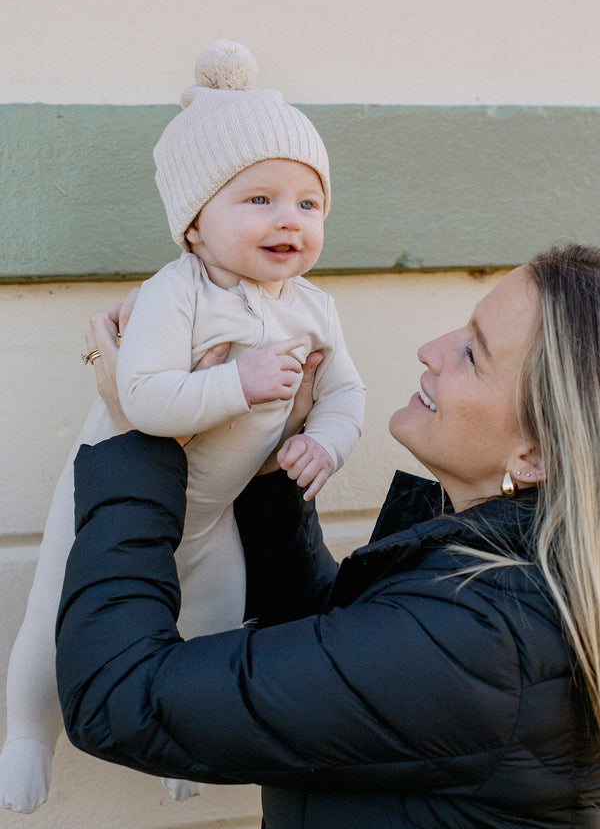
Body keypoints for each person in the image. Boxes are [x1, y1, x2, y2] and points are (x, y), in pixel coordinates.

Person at [55, 243, 600, 827]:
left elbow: (119, 696)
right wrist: (269, 472)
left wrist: (142, 438)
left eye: (472, 353)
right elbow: (333, 655)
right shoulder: (497, 582)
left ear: (535, 455)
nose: (431, 350)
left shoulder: (486, 639)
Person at [0, 40, 365, 813]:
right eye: (258, 199)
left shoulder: (314, 306)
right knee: (53, 607)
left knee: (217, 612)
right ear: (194, 223)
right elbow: (147, 399)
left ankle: (185, 744)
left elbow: (347, 393)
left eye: (309, 202)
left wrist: (324, 440)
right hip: (119, 487)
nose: (289, 220)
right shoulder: (178, 292)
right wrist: (241, 380)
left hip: (211, 512)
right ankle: (27, 735)